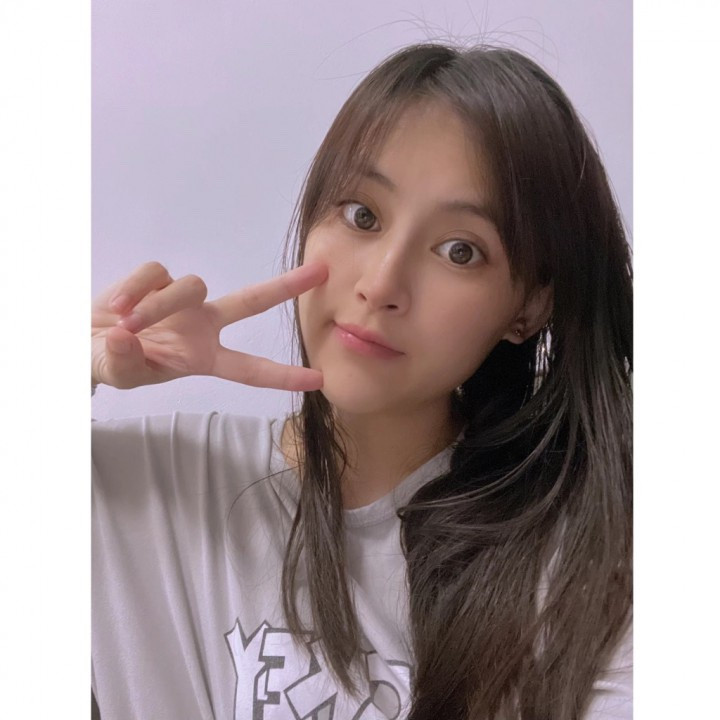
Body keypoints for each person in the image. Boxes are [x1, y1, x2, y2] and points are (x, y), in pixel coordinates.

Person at [91, 43, 632, 719]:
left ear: (529, 305)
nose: (381, 284)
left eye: (460, 250)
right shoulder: (150, 487)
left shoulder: (589, 565)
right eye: (362, 216)